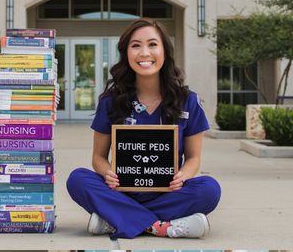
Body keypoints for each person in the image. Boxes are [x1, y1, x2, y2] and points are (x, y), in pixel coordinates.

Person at [66, 19, 221, 240]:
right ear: (126, 53)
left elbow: (194, 158)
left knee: (209, 189)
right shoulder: (112, 101)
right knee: (78, 179)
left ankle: (114, 219)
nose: (144, 52)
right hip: (121, 192)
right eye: (136, 45)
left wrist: (182, 177)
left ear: (164, 52)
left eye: (152, 44)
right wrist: (107, 173)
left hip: (168, 194)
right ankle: (161, 227)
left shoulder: (187, 101)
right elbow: (98, 158)